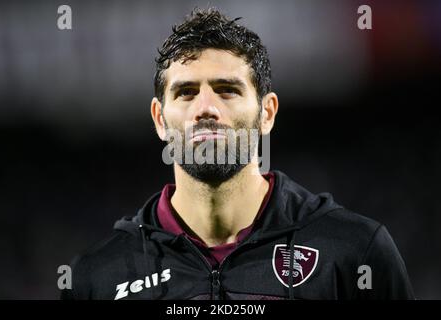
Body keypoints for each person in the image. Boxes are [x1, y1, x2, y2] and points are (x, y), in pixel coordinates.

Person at [62, 7, 414, 300]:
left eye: (227, 90)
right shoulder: (98, 278)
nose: (206, 108)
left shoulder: (354, 252)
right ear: (159, 118)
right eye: (185, 92)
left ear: (267, 113)